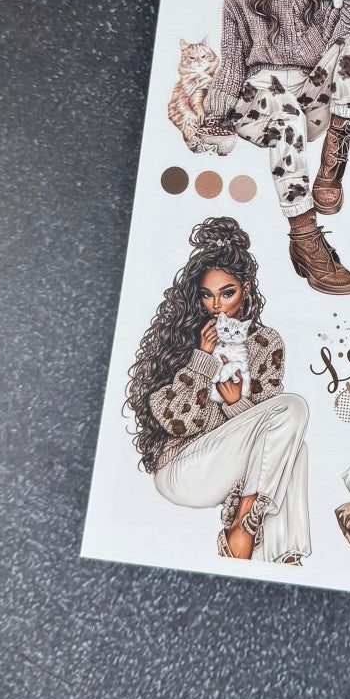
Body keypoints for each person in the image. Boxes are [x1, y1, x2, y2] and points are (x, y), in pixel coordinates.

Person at [198, 0, 350, 295]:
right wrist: (215, 114)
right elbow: (232, 60)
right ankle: (305, 237)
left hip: (311, 94)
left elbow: (340, 42)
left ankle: (332, 162)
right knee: (285, 112)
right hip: (260, 96)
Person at [125, 217, 310, 564]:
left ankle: (281, 557)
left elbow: (270, 430)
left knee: (295, 445)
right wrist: (202, 358)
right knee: (293, 408)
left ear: (246, 290)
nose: (217, 305)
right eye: (207, 295)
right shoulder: (181, 339)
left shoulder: (265, 343)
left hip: (229, 470)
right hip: (183, 466)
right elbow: (178, 423)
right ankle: (243, 529)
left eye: (227, 293)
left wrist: (236, 403)